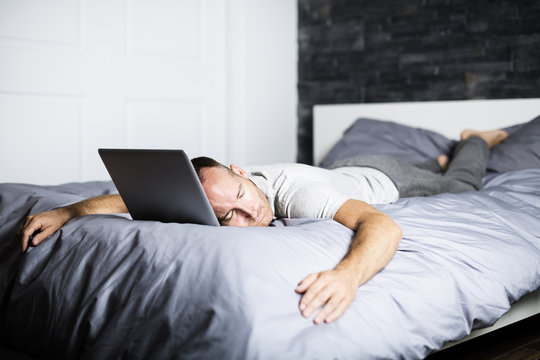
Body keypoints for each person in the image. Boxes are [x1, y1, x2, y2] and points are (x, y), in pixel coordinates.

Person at [18, 128, 508, 325]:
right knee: (433, 164)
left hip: (385, 180)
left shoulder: (301, 195)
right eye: (226, 215)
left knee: (460, 180)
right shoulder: (223, 187)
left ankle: (471, 141)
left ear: (242, 171)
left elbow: (381, 226)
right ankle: (440, 154)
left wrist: (347, 276)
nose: (248, 215)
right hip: (350, 168)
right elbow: (139, 196)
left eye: (243, 198)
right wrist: (72, 211)